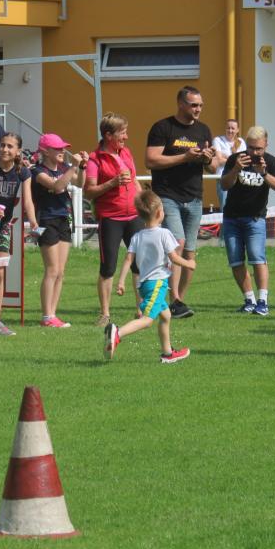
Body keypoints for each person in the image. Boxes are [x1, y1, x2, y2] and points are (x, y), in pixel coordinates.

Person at [145, 86, 219, 319]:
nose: (198, 109)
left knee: (189, 253)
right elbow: (151, 160)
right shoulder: (162, 127)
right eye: (194, 105)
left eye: (201, 105)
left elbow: (213, 167)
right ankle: (174, 299)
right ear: (181, 104)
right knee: (176, 245)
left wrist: (208, 159)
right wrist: (184, 157)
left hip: (194, 197)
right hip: (168, 196)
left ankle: (178, 302)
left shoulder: (203, 130)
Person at [103, 189, 195, 364]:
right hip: (157, 284)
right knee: (146, 320)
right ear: (160, 213)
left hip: (144, 284)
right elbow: (174, 257)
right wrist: (189, 263)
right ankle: (117, 333)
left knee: (166, 316)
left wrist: (121, 281)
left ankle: (168, 353)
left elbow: (128, 259)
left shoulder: (137, 236)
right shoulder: (164, 234)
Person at [219, 125, 275, 315]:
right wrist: (236, 169)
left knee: (257, 258)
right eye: (250, 148)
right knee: (236, 261)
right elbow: (224, 185)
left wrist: (264, 173)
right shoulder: (235, 159)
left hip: (255, 219)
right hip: (232, 218)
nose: (254, 152)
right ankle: (249, 300)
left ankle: (263, 302)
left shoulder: (271, 161)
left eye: (259, 149)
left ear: (266, 144)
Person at [84, 113, 140, 327]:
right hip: (111, 218)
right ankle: (105, 314)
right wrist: (112, 183)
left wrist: (146, 204)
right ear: (108, 135)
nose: (126, 137)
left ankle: (141, 309)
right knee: (108, 267)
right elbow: (89, 191)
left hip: (134, 215)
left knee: (139, 264)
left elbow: (134, 181)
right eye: (122, 133)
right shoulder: (95, 159)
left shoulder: (126, 152)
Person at [31, 133, 87, 328]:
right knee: (52, 269)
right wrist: (73, 167)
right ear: (46, 151)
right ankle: (47, 316)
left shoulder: (64, 167)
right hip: (47, 220)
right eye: (58, 148)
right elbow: (56, 186)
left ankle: (52, 314)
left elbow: (80, 184)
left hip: (64, 218)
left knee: (60, 272)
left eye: (63, 147)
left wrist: (82, 167)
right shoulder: (38, 171)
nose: (62, 151)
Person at [0, 132, 36, 336]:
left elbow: (28, 200)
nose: (5, 149)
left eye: (10, 146)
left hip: (3, 224)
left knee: (0, 271)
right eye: (3, 145)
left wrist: (33, 221)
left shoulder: (23, 172)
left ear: (18, 151)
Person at [212, 118, 246, 210]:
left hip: (239, 178)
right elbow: (219, 160)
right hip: (223, 178)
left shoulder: (241, 141)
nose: (230, 130)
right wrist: (235, 159)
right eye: (228, 128)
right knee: (225, 208)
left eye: (233, 128)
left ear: (237, 130)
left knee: (240, 207)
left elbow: (243, 160)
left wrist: (225, 156)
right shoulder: (218, 140)